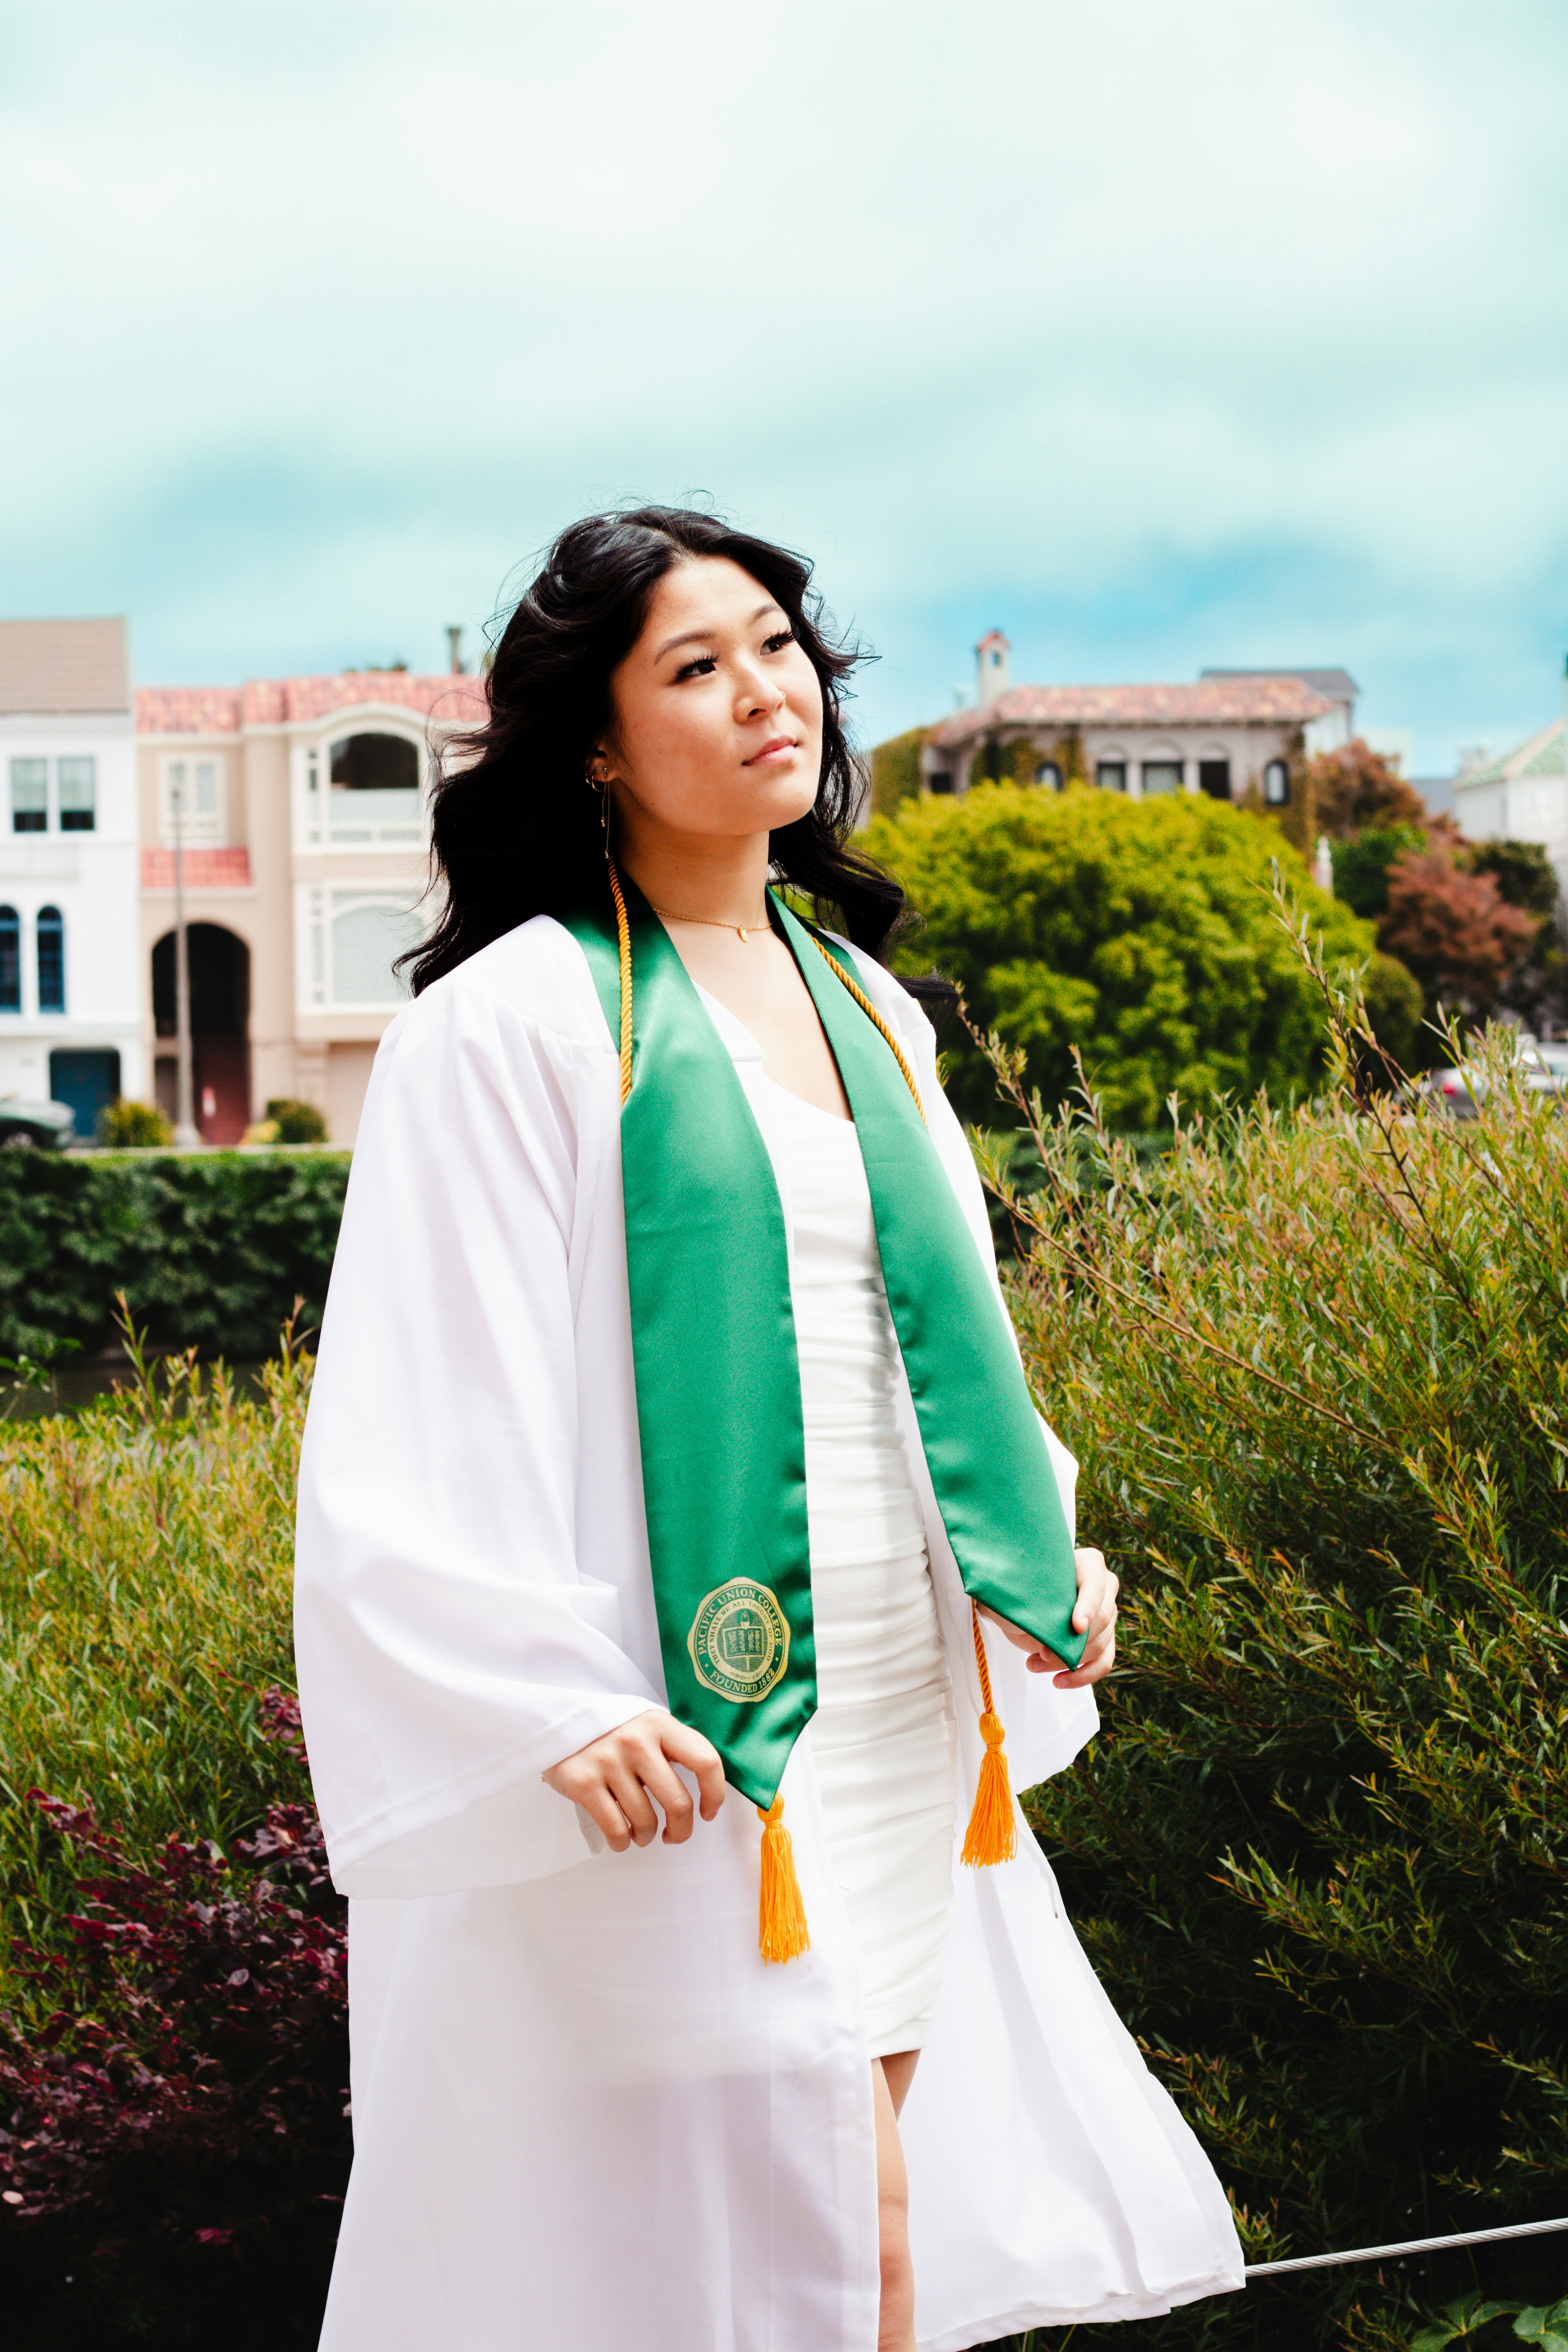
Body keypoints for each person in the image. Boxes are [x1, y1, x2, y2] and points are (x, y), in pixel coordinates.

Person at [293, 506, 1243, 2352]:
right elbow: (424, 1401)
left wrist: (1038, 1550)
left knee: (852, 2229)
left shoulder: (868, 1005)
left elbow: (935, 1346)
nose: (763, 693)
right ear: (594, 740)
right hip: (684, 1730)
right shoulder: (510, 1027)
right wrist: (536, 1699)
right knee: (806, 2246)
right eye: (694, 665)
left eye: (778, 647)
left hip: (893, 1706)